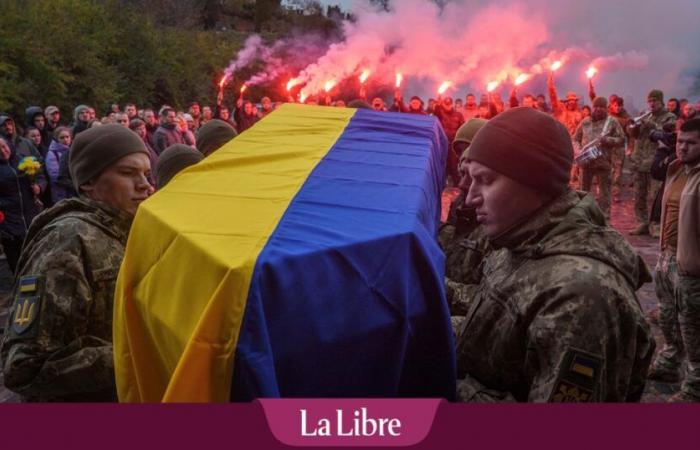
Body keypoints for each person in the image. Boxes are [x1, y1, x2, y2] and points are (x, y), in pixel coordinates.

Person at [455, 107, 654, 402]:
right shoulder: (520, 242)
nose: (470, 197)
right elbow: (503, 331)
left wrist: (449, 385)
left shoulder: (582, 298)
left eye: (485, 180)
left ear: (532, 181)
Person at [0, 124, 154, 402]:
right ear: (88, 183)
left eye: (146, 173)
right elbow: (25, 367)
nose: (145, 184)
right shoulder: (67, 240)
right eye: (128, 173)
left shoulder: (129, 230)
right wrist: (141, 357)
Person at [668, 118, 700, 402]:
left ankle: (695, 387)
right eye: (680, 141)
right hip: (674, 259)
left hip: (694, 270)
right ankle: (676, 366)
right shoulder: (678, 170)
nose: (683, 147)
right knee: (677, 320)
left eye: (691, 143)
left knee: (693, 329)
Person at [627, 90, 677, 235]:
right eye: (649, 101)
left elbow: (668, 137)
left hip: (655, 162)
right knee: (638, 196)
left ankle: (656, 225)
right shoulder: (644, 114)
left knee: (655, 196)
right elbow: (633, 135)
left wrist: (652, 125)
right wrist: (634, 127)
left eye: (654, 101)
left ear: (661, 101)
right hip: (639, 161)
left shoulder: (670, 117)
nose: (652, 104)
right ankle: (641, 222)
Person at [573, 97, 625, 218]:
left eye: (601, 107)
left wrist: (608, 140)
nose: (598, 109)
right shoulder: (585, 121)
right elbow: (575, 138)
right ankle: (584, 215)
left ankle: (603, 217)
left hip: (603, 162)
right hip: (586, 162)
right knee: (583, 191)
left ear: (606, 108)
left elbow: (622, 139)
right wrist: (578, 150)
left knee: (604, 193)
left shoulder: (612, 121)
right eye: (596, 106)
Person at [0, 138, 41, 274]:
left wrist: (38, 186)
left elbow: (41, 177)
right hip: (9, 220)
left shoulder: (22, 160)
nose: (2, 151)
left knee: (36, 256)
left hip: (30, 215)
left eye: (4, 146)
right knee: (17, 261)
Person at [608, 96, 632, 194]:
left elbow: (630, 135)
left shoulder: (626, 118)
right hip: (607, 146)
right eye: (615, 105)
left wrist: (630, 148)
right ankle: (605, 189)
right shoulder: (607, 115)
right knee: (606, 168)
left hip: (619, 147)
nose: (618, 108)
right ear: (612, 105)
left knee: (617, 169)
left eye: (620, 106)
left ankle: (615, 190)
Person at [45, 127, 73, 204]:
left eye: (67, 137)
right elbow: (55, 175)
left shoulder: (72, 150)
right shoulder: (52, 154)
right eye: (62, 138)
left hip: (73, 192)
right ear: (57, 139)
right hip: (61, 193)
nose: (65, 140)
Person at [130, 118, 158, 186]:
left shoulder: (146, 142)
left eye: (143, 128)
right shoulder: (135, 146)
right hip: (149, 182)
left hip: (156, 177)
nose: (142, 131)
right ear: (133, 131)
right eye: (139, 129)